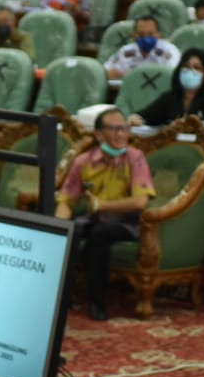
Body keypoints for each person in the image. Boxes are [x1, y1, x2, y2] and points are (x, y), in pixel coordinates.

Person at [55, 107, 156, 320]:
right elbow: (66, 199)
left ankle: (97, 302)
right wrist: (59, 227)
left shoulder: (135, 159)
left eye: (124, 129)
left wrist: (103, 205)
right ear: (99, 134)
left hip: (127, 224)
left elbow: (140, 201)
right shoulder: (84, 161)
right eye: (114, 129)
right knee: (72, 229)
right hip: (93, 219)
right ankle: (63, 297)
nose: (121, 134)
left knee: (99, 234)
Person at [131, 48, 204, 128]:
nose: (190, 71)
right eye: (186, 66)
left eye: (197, 68)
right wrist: (136, 118)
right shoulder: (169, 97)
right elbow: (145, 116)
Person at [104, 15, 181, 79]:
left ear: (159, 35)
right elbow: (104, 72)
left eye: (150, 34)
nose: (146, 38)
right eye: (141, 34)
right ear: (134, 36)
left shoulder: (169, 51)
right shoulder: (125, 52)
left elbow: (174, 74)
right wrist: (119, 74)